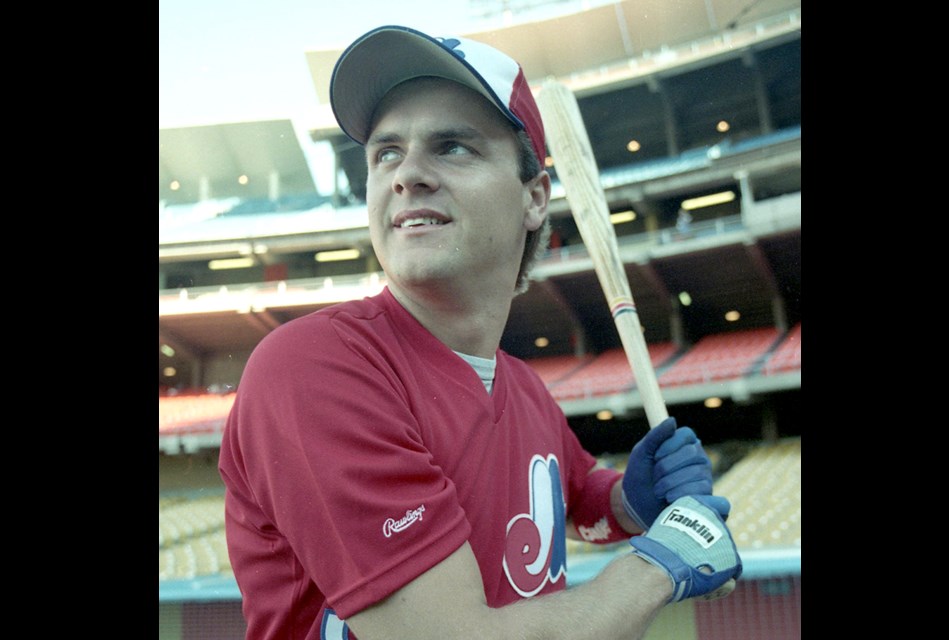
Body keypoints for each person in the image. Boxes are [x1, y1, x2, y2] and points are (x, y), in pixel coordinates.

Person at [218, 25, 741, 640]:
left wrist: (632, 500)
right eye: (386, 152)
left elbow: (573, 500)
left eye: (452, 147)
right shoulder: (313, 365)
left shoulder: (522, 389)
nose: (406, 174)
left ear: (535, 199)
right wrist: (663, 565)